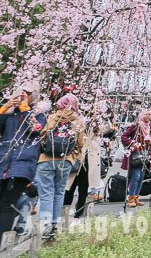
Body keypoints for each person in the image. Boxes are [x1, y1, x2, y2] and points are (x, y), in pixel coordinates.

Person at [37, 93, 84, 239]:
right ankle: (55, 225)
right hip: (65, 161)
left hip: (46, 159)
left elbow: (42, 135)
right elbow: (81, 143)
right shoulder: (77, 120)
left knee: (46, 193)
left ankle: (45, 226)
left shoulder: (53, 117)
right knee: (59, 192)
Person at [0, 84, 46, 235]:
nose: (22, 96)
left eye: (27, 94)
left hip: (23, 164)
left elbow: (35, 129)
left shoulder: (39, 114)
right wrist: (5, 107)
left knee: (7, 203)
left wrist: (26, 109)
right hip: (3, 161)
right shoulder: (10, 114)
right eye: (21, 93)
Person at [63, 118, 110, 224]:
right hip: (77, 159)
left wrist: (103, 118)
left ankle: (77, 216)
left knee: (82, 191)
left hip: (88, 161)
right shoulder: (76, 123)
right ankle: (65, 216)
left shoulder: (95, 127)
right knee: (69, 189)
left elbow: (109, 129)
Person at [120, 108, 151, 208]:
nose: (149, 116)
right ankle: (130, 197)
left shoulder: (150, 127)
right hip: (135, 155)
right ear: (142, 115)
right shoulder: (136, 125)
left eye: (150, 114)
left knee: (141, 177)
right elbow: (124, 136)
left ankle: (136, 197)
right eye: (147, 114)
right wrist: (133, 143)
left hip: (145, 154)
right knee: (135, 176)